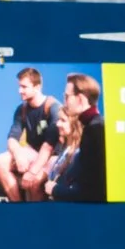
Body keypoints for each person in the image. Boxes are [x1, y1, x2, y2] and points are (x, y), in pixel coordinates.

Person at [0, 67, 63, 202]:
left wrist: (32, 172)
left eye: (24, 87)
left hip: (53, 157)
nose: (20, 91)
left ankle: (36, 217)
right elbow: (12, 139)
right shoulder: (22, 109)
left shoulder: (53, 107)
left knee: (35, 180)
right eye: (19, 86)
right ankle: (18, 207)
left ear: (37, 87)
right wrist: (18, 154)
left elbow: (48, 146)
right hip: (33, 153)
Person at [47, 72, 107, 203]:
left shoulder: (94, 130)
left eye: (67, 96)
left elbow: (91, 193)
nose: (64, 101)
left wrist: (55, 190)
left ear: (80, 99)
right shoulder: (95, 125)